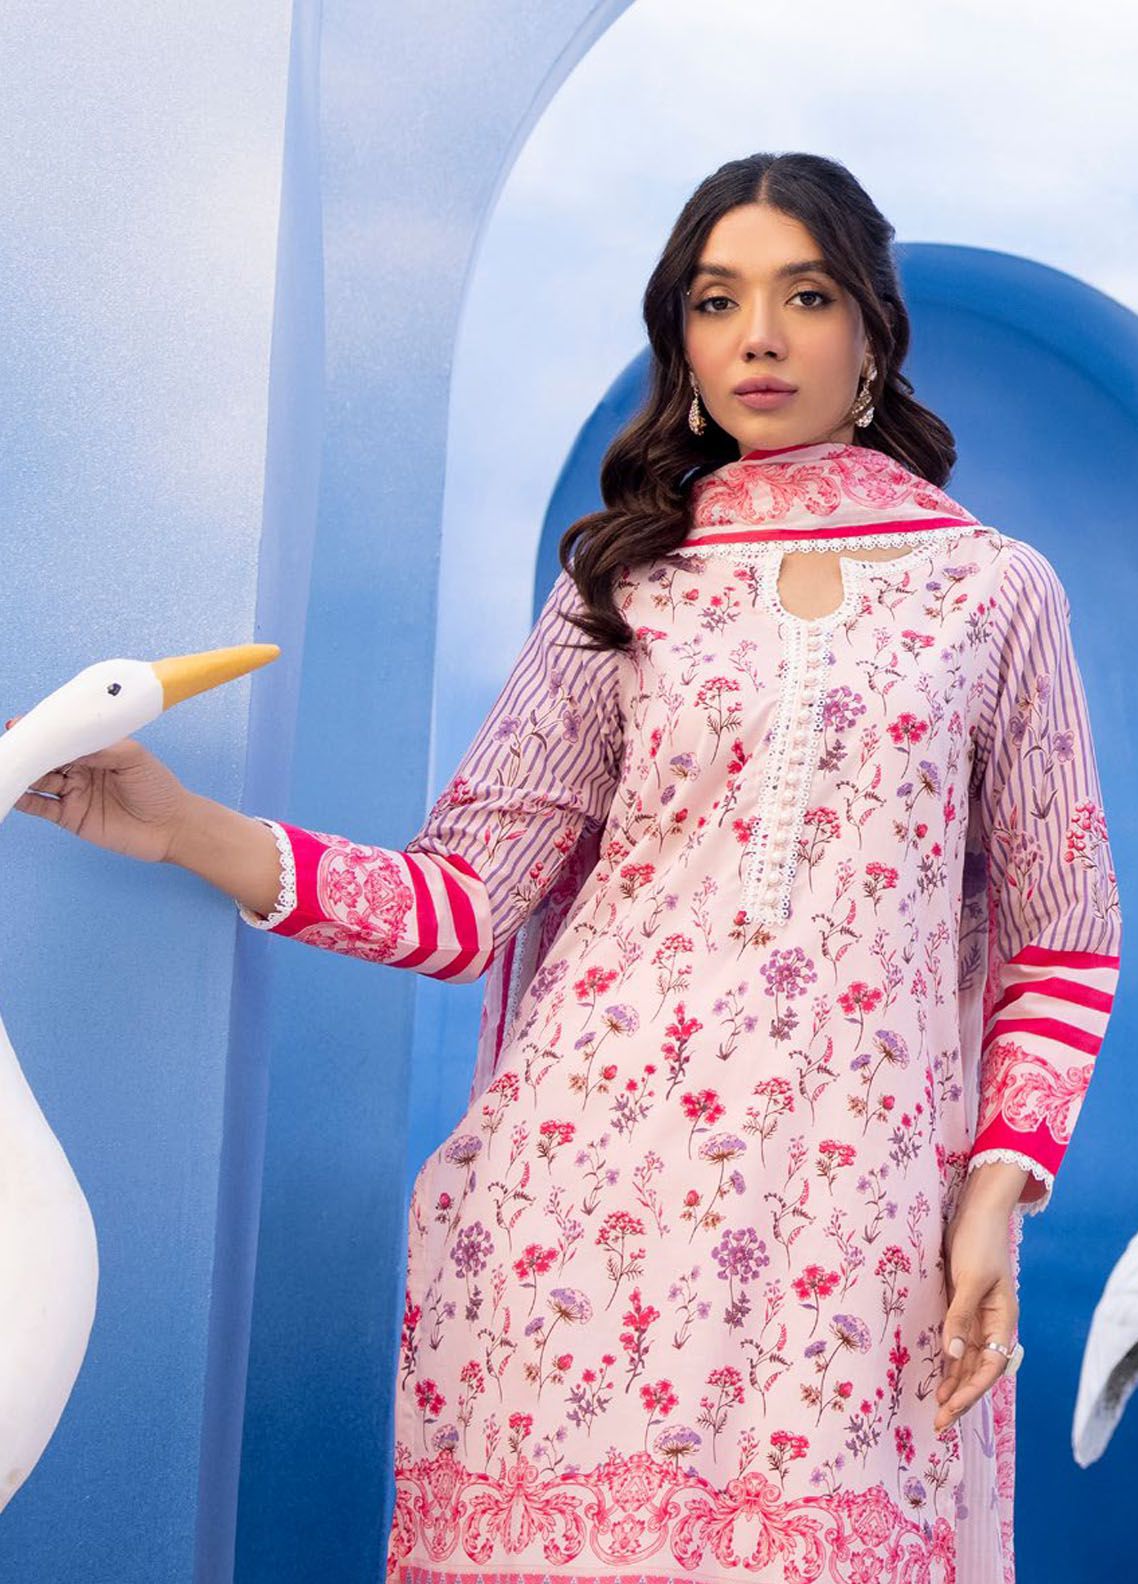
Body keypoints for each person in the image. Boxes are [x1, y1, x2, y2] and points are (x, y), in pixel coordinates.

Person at [10, 151, 1122, 1584]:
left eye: (804, 296)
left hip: (851, 1228)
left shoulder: (991, 591)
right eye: (716, 302)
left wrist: (993, 1192)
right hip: (582, 1213)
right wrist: (180, 829)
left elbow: (1065, 933)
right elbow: (463, 903)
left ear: (872, 334)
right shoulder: (625, 583)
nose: (758, 336)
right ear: (683, 342)